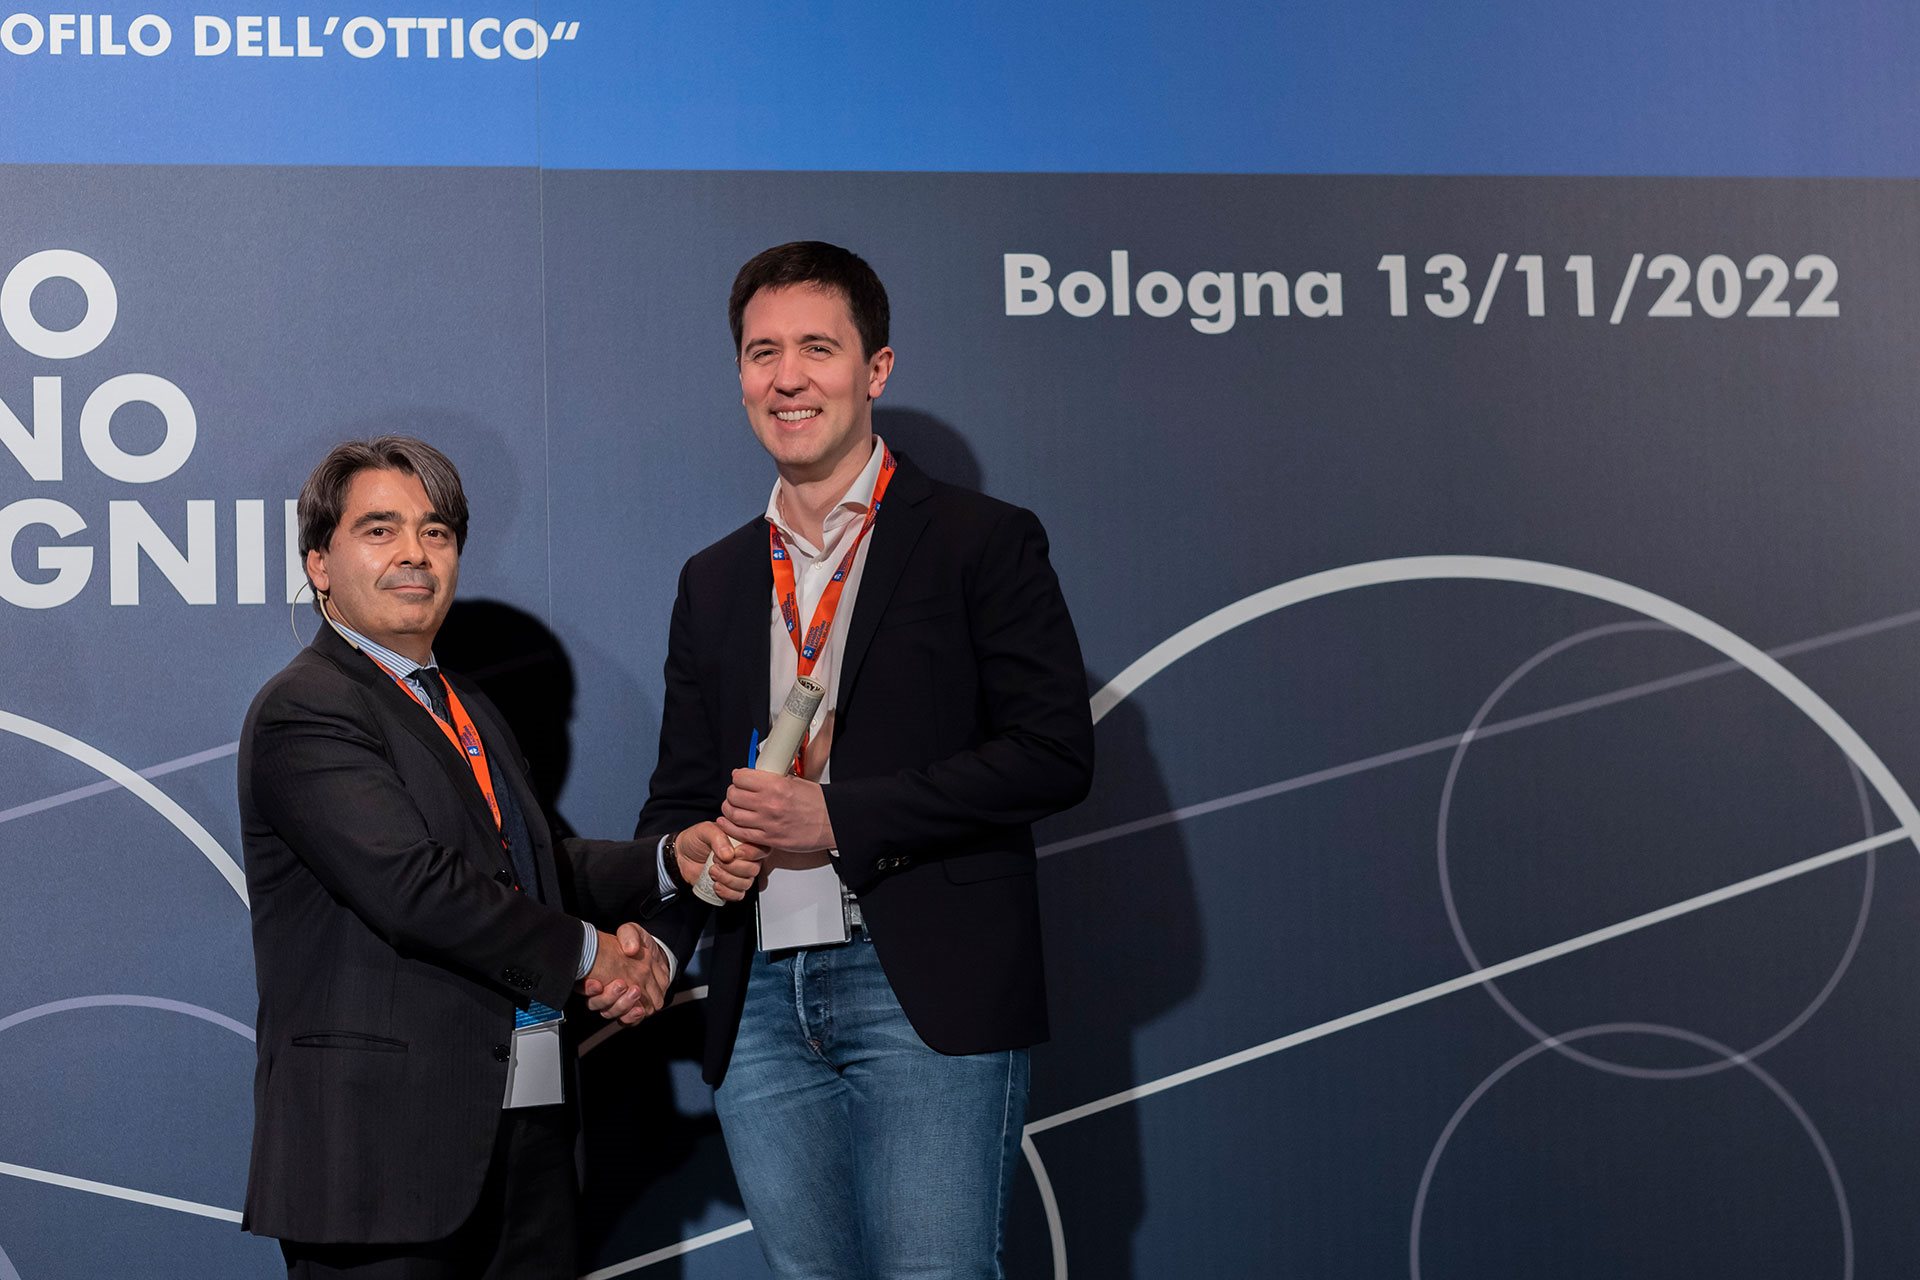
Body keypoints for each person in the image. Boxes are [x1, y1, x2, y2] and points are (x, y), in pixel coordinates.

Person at [638, 241, 1096, 1278]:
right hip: (758, 995)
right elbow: (676, 795)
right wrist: (688, 870)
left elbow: (1054, 752)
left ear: (875, 368)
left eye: (817, 347)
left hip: (919, 982)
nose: (787, 377)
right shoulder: (714, 578)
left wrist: (838, 817)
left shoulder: (981, 540)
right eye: (762, 353)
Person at [239, 436, 674, 1279]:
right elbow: (415, 886)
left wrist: (670, 863)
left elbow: (528, 869)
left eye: (435, 532)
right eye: (380, 530)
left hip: (524, 1141)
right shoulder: (307, 707)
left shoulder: (464, 702)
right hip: (381, 1162)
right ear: (319, 563)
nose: (414, 553)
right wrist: (595, 955)